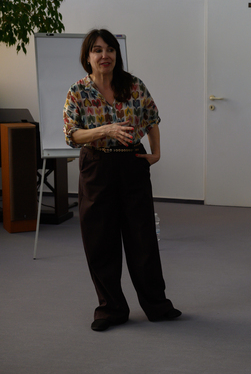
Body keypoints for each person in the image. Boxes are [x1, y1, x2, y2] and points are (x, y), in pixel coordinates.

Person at [63, 29, 181, 331]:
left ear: (117, 54)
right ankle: (111, 309)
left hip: (131, 163)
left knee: (142, 237)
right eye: (97, 50)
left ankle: (157, 304)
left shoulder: (134, 85)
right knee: (100, 239)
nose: (105, 55)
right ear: (87, 57)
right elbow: (72, 135)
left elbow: (151, 119)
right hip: (97, 165)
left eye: (110, 49)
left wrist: (156, 153)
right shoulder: (78, 92)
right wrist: (106, 130)